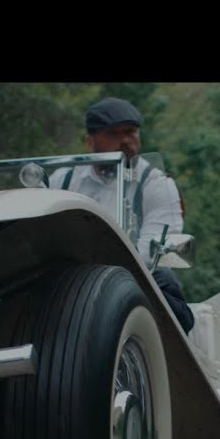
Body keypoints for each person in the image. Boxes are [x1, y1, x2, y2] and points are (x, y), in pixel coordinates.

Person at [48, 97, 194, 333]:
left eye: (131, 132)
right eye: (114, 134)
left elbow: (153, 251)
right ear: (90, 141)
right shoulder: (61, 181)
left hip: (134, 280)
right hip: (68, 280)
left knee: (165, 282)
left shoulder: (156, 184)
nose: (126, 141)